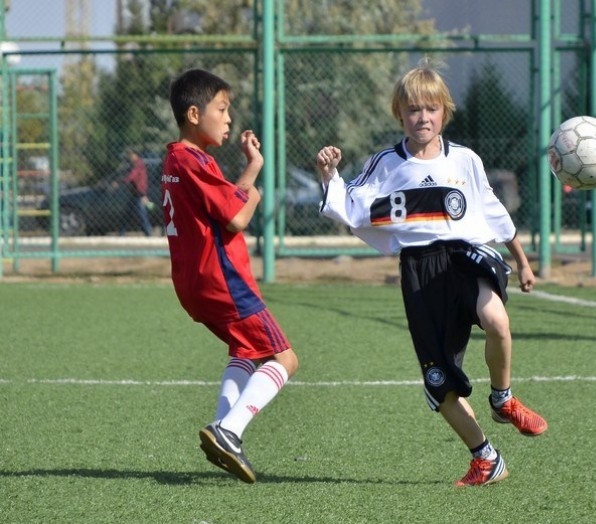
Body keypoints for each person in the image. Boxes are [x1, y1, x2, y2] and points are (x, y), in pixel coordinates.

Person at [315, 59, 547, 487]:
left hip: (466, 257)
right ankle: (486, 458)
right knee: (440, 386)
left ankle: (503, 398)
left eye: (431, 109)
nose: (422, 117)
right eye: (413, 109)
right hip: (420, 272)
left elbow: (493, 210)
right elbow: (350, 204)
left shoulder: (465, 160)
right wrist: (328, 173)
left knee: (497, 320)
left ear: (444, 112)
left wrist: (522, 259)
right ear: (399, 114)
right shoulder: (386, 163)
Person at [163, 68, 299, 483]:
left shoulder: (178, 160)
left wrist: (252, 167)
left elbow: (225, 209)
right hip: (222, 281)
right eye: (221, 109)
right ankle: (229, 430)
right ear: (194, 114)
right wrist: (255, 193)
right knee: (285, 359)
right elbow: (238, 216)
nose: (228, 118)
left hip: (193, 283)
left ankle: (222, 432)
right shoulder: (193, 160)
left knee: (245, 350)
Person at [119, 149, 153, 236]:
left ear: (135, 155)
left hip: (139, 193)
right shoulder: (136, 163)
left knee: (141, 214)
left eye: (130, 155)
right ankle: (121, 233)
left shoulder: (138, 163)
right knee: (128, 214)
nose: (129, 158)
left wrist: (122, 181)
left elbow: (132, 175)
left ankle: (148, 233)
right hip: (135, 193)